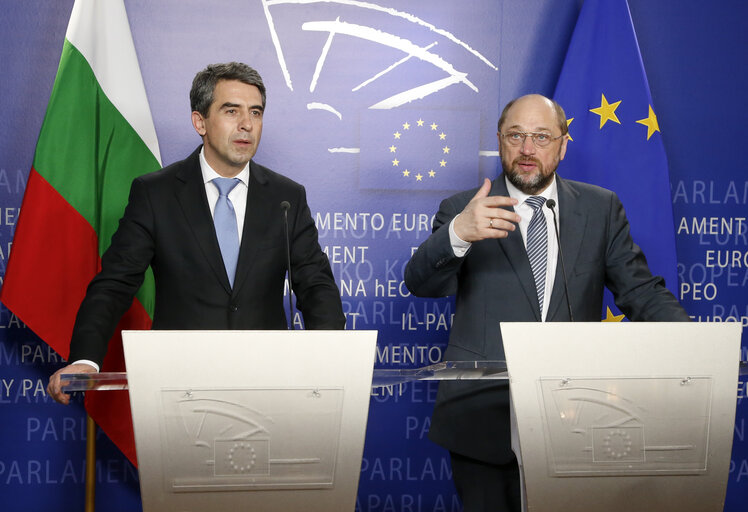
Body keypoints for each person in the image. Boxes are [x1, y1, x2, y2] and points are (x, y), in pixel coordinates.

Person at [404, 94, 690, 511]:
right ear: (499, 140)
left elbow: (640, 291)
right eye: (516, 135)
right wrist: (459, 233)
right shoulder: (461, 209)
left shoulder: (600, 208)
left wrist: (694, 344)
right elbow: (420, 283)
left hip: (576, 416)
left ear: (563, 144)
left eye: (541, 136)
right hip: (482, 419)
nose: (527, 149)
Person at [48, 62, 345, 404]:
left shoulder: (286, 197)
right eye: (231, 111)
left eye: (256, 112)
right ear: (199, 122)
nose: (247, 124)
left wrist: (333, 359)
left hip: (267, 385)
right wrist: (86, 358)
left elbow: (315, 285)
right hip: (179, 387)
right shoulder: (156, 193)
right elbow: (115, 283)